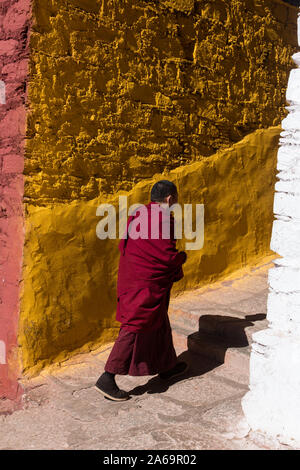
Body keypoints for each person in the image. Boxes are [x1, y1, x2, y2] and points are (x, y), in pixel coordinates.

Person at [95, 180, 188, 401]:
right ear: (169, 199)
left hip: (133, 277)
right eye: (175, 199)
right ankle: (107, 377)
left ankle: (166, 366)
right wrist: (180, 259)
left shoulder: (139, 213)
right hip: (145, 282)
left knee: (158, 319)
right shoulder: (164, 218)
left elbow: (126, 245)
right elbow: (165, 256)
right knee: (135, 325)